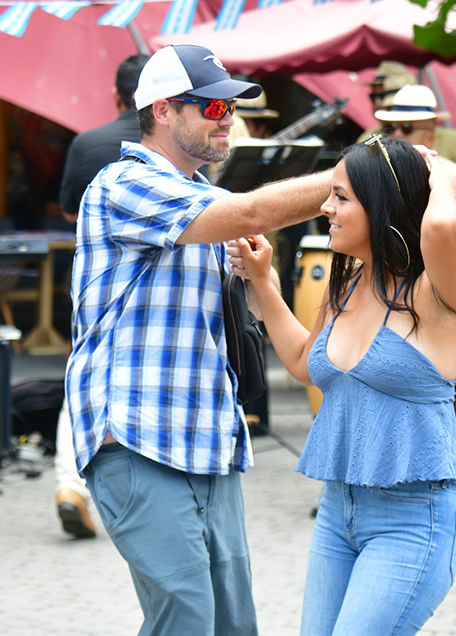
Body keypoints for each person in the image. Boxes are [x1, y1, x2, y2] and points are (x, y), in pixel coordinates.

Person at [65, 44, 332, 635]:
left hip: (207, 438)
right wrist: (355, 175)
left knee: (234, 626)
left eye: (229, 107)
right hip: (136, 437)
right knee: (187, 620)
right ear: (163, 111)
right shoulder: (124, 184)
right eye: (211, 106)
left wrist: (260, 280)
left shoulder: (201, 198)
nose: (227, 117)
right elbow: (247, 214)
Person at [227, 136, 456, 634]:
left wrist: (441, 175)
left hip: (414, 520)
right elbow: (306, 364)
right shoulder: (348, 284)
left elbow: (440, 224)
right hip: (338, 513)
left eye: (341, 197)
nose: (325, 208)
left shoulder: (437, 290)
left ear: (382, 206)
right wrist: (263, 283)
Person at [53, 54, 148, 539]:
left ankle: (71, 483)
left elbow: (71, 210)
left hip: (98, 278)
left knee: (86, 367)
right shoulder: (178, 152)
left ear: (116, 96)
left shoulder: (87, 144)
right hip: (161, 289)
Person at [374, 85, 456, 238]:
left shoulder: (451, 174)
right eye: (391, 127)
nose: (396, 134)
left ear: (429, 138)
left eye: (406, 128)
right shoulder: (380, 170)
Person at [361, 60, 456, 168]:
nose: (378, 103)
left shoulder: (452, 141)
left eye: (407, 127)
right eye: (374, 97)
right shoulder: (370, 138)